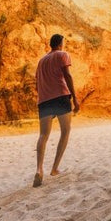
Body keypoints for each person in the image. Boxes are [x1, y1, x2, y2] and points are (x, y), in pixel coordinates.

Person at [33, 34, 79, 187]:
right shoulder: (62, 54)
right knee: (65, 131)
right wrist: (75, 98)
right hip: (60, 96)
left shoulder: (41, 61)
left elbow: (36, 84)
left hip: (44, 101)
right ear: (60, 43)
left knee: (43, 135)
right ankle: (54, 169)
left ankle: (39, 169)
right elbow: (67, 75)